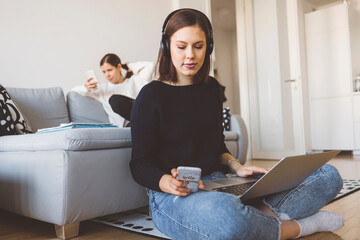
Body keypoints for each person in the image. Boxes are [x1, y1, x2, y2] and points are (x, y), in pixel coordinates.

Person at [130, 8, 344, 240]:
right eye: (181, 47)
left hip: (220, 183)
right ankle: (297, 227)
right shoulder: (150, 95)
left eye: (198, 46)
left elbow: (217, 146)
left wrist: (237, 167)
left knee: (327, 174)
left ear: (208, 47)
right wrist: (164, 181)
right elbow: (139, 164)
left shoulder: (211, 89)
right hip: (173, 196)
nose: (190, 55)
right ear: (166, 46)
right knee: (225, 214)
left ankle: (258, 219)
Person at [72, 53, 154, 127]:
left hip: (145, 116)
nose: (107, 75)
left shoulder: (134, 81)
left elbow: (150, 66)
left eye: (109, 70)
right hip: (130, 126)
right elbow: (74, 91)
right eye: (104, 72)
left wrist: (128, 66)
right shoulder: (103, 90)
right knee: (114, 100)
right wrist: (86, 88)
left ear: (119, 67)